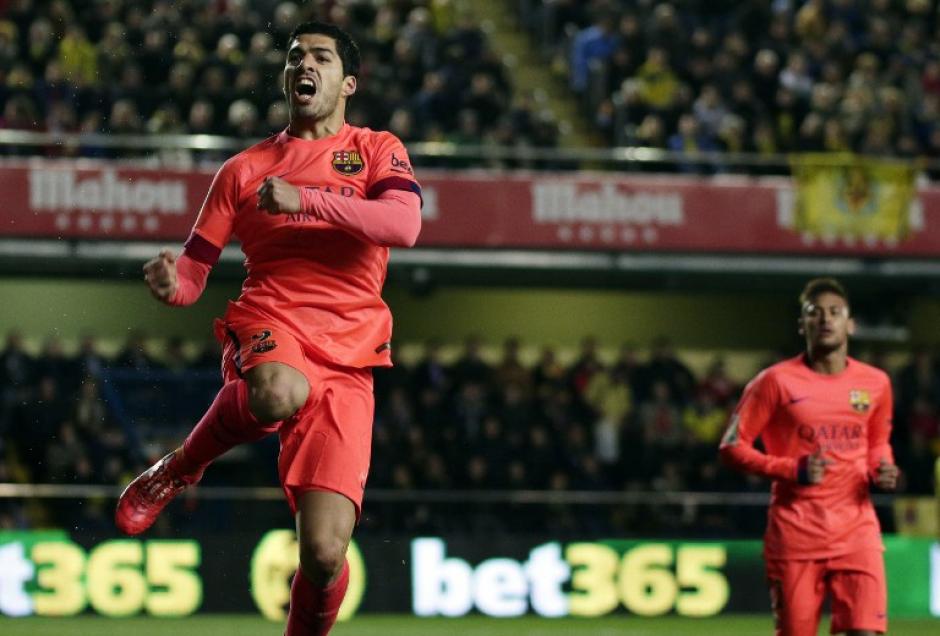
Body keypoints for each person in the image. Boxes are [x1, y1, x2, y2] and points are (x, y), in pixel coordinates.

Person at [114, 21, 422, 636]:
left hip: (351, 353)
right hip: (272, 317)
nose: (303, 64)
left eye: (321, 57)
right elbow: (197, 270)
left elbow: (403, 225)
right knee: (279, 391)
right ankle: (178, 468)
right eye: (294, 56)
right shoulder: (243, 169)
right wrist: (176, 285)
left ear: (348, 82)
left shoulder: (377, 149)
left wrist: (307, 200)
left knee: (326, 555)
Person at [719, 278, 899, 636]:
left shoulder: (876, 383)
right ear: (803, 326)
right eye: (814, 313)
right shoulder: (774, 382)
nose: (826, 320)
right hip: (796, 535)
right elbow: (731, 447)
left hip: (857, 532)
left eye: (835, 312)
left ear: (850, 324)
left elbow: (878, 441)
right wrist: (790, 469)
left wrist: (883, 467)